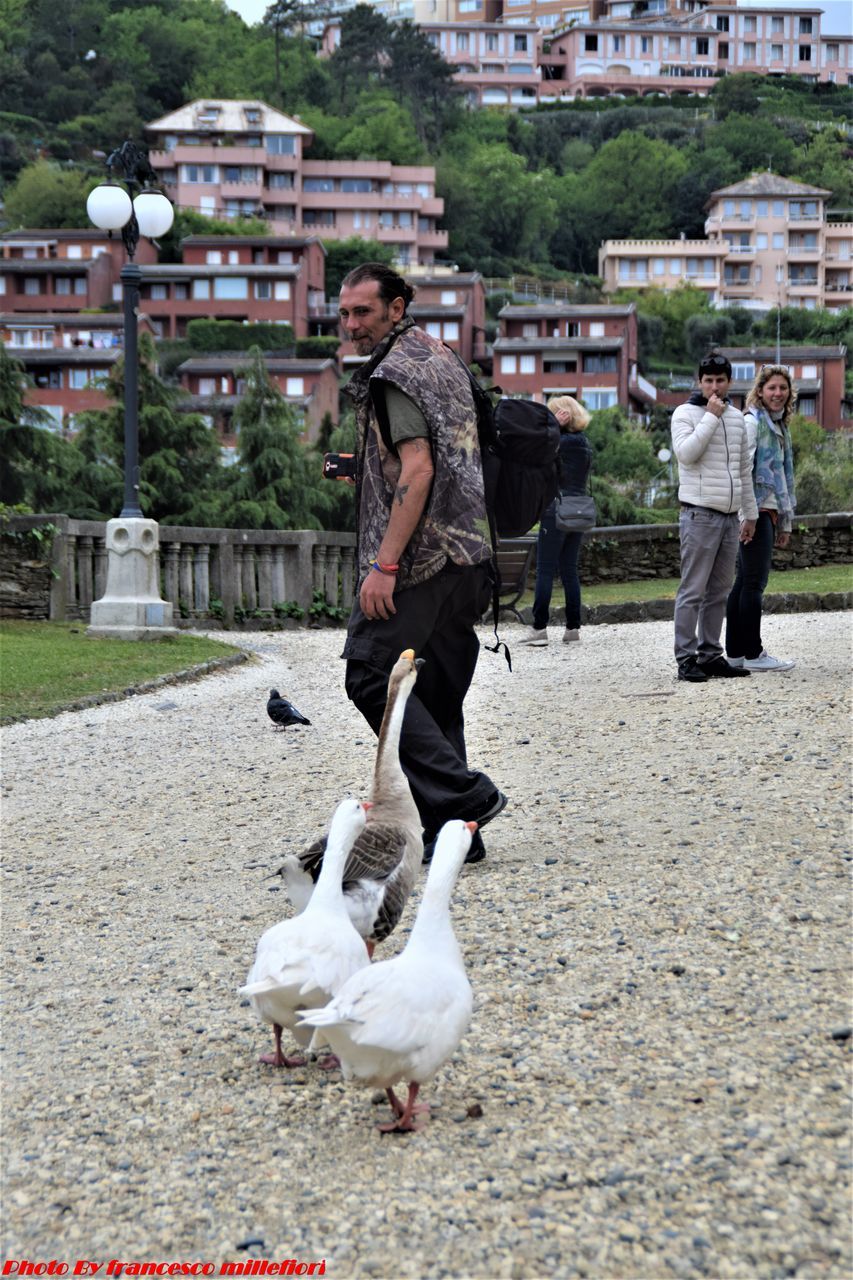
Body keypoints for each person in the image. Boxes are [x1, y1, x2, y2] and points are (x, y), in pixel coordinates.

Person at [338, 263, 506, 865]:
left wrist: (384, 567)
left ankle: (469, 795)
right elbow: (438, 451)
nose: (351, 324)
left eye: (363, 311)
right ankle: (458, 832)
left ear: (397, 307)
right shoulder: (440, 356)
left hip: (423, 560)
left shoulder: (392, 374)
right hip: (472, 553)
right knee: (432, 692)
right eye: (345, 312)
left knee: (371, 674)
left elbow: (419, 468)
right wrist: (361, 465)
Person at [671, 351, 757, 683]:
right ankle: (685, 658)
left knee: (719, 590)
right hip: (699, 514)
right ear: (700, 382)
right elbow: (687, 454)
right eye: (709, 381)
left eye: (721, 380)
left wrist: (749, 514)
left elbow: (743, 470)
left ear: (729, 381)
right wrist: (710, 417)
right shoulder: (684, 413)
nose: (715, 386)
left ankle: (710, 654)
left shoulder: (737, 418)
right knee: (692, 589)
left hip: (729, 516)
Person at [725, 364, 797, 672]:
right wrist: (748, 516)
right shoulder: (753, 423)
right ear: (760, 391)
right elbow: (742, 471)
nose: (778, 393)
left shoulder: (778, 426)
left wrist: (785, 521)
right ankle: (753, 654)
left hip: (768, 511)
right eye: (772, 388)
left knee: (744, 581)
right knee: (753, 582)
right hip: (755, 512)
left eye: (783, 388)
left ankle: (736, 653)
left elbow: (783, 475)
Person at [518, 395, 593, 647]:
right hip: (578, 510)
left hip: (556, 509)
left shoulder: (558, 442)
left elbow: (534, 449)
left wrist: (553, 429)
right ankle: (573, 628)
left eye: (552, 415)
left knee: (545, 570)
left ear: (562, 417)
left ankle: (539, 629)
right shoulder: (584, 443)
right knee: (570, 570)